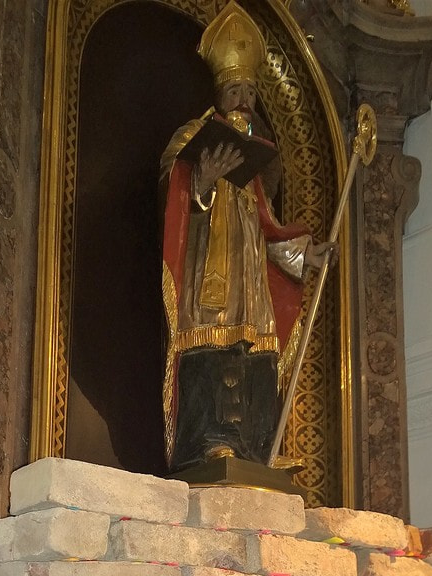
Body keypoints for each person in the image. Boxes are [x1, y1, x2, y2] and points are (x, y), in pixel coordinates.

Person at [160, 0, 334, 472]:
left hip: (251, 279)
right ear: (219, 94)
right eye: (235, 89)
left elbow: (267, 225)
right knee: (214, 349)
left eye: (251, 91)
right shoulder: (193, 138)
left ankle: (257, 448)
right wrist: (200, 182)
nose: (244, 99)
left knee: (256, 352)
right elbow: (168, 195)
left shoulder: (254, 159)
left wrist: (305, 255)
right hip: (208, 274)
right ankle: (210, 442)